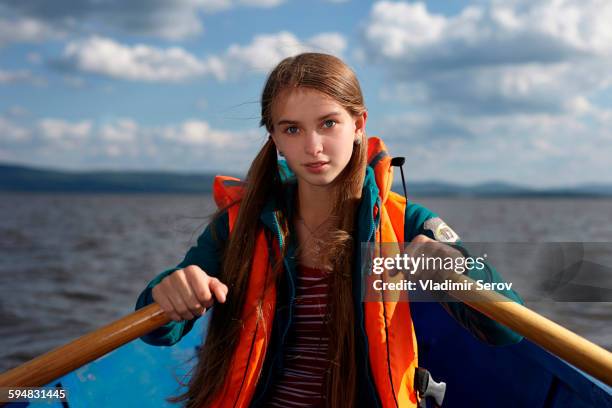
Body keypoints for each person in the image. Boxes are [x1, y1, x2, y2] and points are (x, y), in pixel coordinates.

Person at [135, 53, 523, 408]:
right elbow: (160, 331)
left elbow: (506, 329)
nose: (313, 146)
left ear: (358, 125)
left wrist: (457, 273)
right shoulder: (238, 224)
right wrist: (169, 288)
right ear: (274, 139)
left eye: (328, 123)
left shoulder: (406, 223)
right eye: (292, 129)